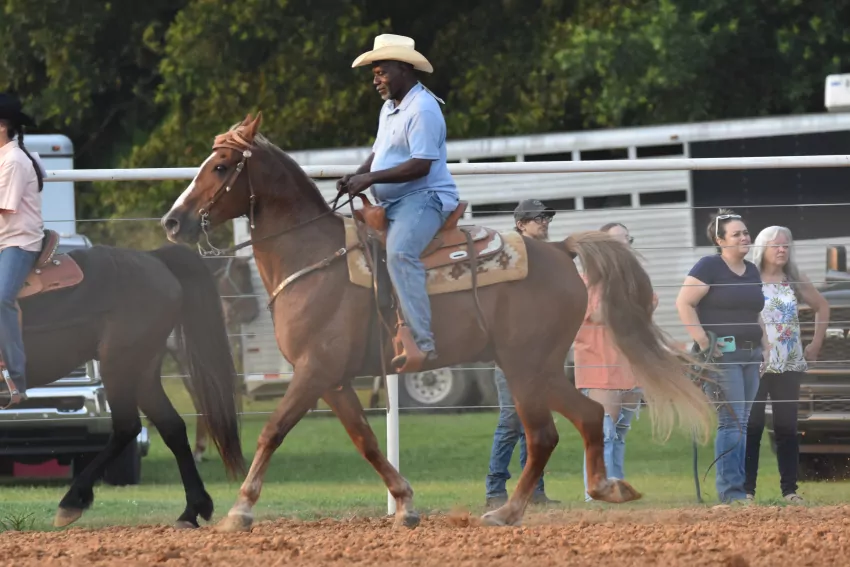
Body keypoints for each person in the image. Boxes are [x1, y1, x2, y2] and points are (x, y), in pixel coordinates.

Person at [339, 34, 459, 370]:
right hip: (394, 202)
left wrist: (370, 180)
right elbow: (379, 153)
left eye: (381, 73)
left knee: (400, 253)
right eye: (374, 74)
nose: (375, 80)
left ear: (404, 69)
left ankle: (423, 343)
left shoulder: (423, 108)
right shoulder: (390, 108)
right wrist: (357, 176)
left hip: (424, 198)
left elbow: (421, 165)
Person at [676, 209, 770, 504]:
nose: (744, 237)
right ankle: (732, 493)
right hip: (723, 356)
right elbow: (684, 303)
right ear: (720, 240)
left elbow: (756, 313)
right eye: (736, 234)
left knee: (743, 422)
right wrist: (703, 341)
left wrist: (766, 347)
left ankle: (739, 491)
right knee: (732, 422)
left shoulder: (752, 270)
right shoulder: (709, 267)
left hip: (751, 354)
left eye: (746, 232)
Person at [484, 199, 560, 509]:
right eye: (538, 218)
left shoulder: (546, 258)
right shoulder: (511, 258)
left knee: (535, 422)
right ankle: (495, 490)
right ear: (521, 224)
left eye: (546, 218)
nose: (545, 222)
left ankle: (533, 491)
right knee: (511, 422)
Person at [745, 225, 828, 504]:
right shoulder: (748, 277)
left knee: (787, 427)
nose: (782, 250)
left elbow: (822, 306)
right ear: (762, 248)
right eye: (776, 245)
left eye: (786, 245)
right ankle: (747, 491)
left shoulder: (794, 279)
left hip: (789, 363)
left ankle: (790, 490)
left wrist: (816, 343)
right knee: (752, 426)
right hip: (756, 363)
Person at [574, 222, 655, 502]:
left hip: (630, 370)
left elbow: (647, 310)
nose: (623, 246)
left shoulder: (636, 281)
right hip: (598, 369)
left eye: (627, 240)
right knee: (602, 436)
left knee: (619, 435)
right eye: (615, 242)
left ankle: (616, 491)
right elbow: (600, 315)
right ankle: (597, 494)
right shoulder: (585, 283)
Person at [0, 93, 44, 407]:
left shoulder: (14, 161)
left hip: (18, 241)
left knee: (2, 298)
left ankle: (15, 378)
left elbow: (5, 208)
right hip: (5, 239)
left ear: (2, 126)